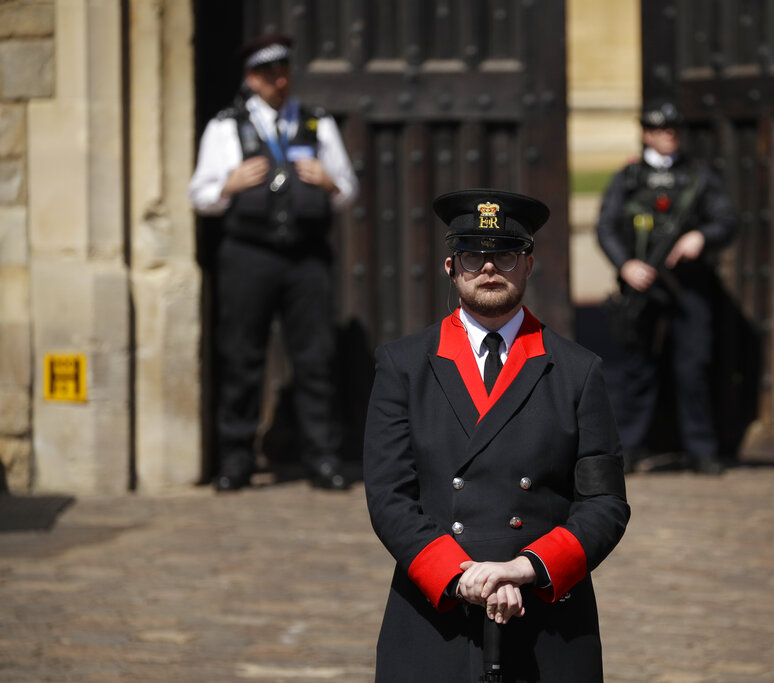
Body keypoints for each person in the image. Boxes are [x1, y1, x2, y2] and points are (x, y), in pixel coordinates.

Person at [363, 189, 630, 681]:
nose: (489, 268)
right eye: (473, 256)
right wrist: (460, 575)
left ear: (528, 265)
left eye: (505, 255)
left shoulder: (577, 370)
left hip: (546, 614)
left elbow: (605, 503)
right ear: (451, 267)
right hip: (436, 608)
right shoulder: (403, 366)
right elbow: (388, 495)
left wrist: (525, 568)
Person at [188, 34, 359, 491]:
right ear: (251, 79)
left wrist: (329, 183)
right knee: (241, 356)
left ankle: (322, 458)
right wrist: (228, 186)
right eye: (268, 74)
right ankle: (236, 459)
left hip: (306, 256)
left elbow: (348, 191)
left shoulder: (317, 122)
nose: (279, 81)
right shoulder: (226, 127)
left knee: (316, 358)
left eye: (283, 72)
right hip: (249, 255)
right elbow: (199, 196)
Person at [596, 99, 737, 475]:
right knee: (637, 368)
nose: (668, 136)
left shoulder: (697, 176)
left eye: (673, 130)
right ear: (646, 134)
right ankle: (628, 448)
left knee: (694, 367)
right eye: (660, 130)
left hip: (687, 285)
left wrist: (701, 237)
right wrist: (626, 265)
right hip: (641, 288)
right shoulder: (629, 178)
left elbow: (726, 219)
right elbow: (606, 226)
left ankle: (701, 449)